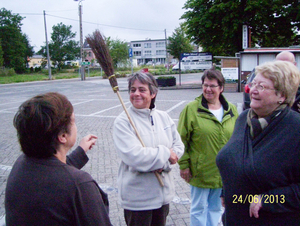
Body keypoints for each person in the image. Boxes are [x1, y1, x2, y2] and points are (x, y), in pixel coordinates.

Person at [5, 92, 112, 226]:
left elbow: (54, 171)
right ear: (62, 136)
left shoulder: (22, 163)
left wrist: (81, 151)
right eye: (73, 121)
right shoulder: (79, 185)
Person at [216, 60, 300, 225]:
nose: (252, 90)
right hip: (235, 218)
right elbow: (236, 160)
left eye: (261, 86)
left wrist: (269, 199)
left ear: (282, 95)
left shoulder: (296, 128)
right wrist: (226, 191)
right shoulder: (244, 119)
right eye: (253, 83)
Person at [113, 71, 184, 226]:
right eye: (133, 90)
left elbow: (178, 147)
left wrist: (162, 163)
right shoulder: (123, 121)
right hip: (138, 201)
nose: (136, 94)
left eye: (141, 89)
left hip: (162, 197)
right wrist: (165, 153)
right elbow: (135, 157)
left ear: (153, 93)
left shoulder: (163, 117)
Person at [177, 66, 238, 226]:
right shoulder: (192, 109)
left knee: (216, 208)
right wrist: (184, 165)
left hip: (223, 172)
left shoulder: (231, 110)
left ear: (221, 88)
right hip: (201, 171)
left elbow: (238, 139)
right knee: (198, 208)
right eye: (205, 85)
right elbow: (180, 140)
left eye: (212, 86)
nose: (208, 89)